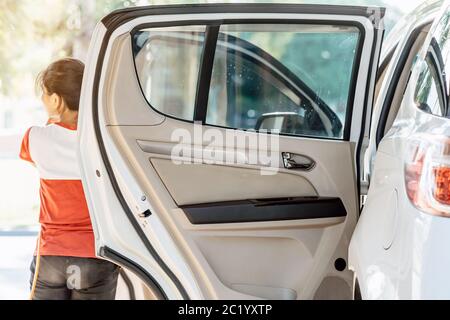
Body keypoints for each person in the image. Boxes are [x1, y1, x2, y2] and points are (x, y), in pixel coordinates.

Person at [19, 58, 119, 300]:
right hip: (95, 254)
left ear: (56, 100)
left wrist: (54, 121)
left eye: (45, 94)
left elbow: (34, 159)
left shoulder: (35, 138)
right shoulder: (105, 141)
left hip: (51, 256)